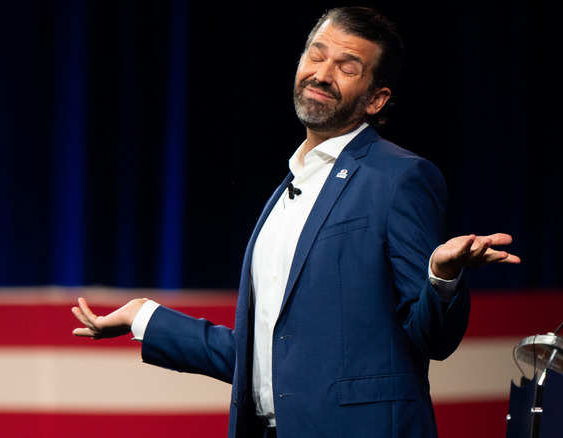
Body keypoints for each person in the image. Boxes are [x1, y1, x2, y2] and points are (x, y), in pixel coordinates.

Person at [71, 7, 520, 438]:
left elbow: (431, 340)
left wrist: (441, 276)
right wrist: (143, 317)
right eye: (316, 54)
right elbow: (267, 359)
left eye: (347, 66)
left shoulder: (398, 177)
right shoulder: (284, 196)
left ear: (376, 98)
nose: (322, 73)